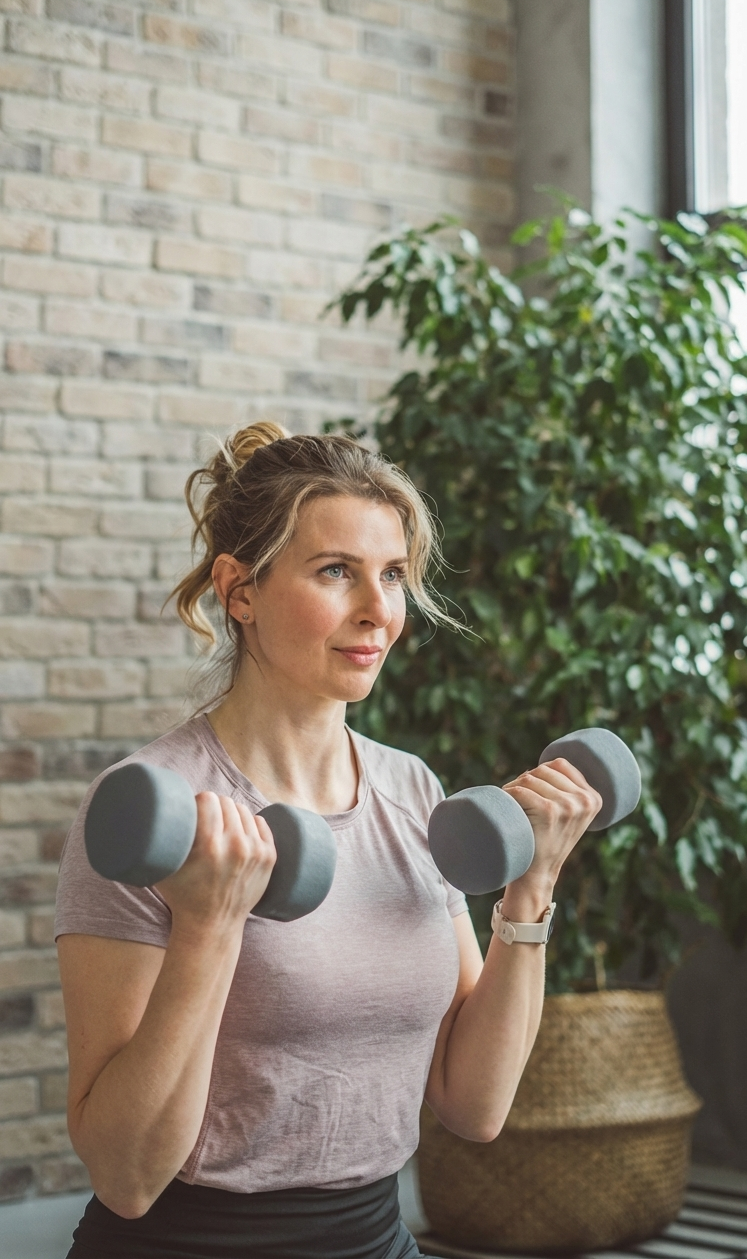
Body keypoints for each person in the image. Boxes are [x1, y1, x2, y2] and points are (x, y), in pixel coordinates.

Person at [55, 424, 602, 1259]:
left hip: (378, 1238)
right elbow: (125, 1175)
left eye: (391, 576)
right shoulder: (150, 812)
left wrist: (533, 888)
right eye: (335, 571)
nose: (379, 612)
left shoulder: (411, 790)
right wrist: (209, 925)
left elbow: (473, 1104)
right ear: (240, 591)